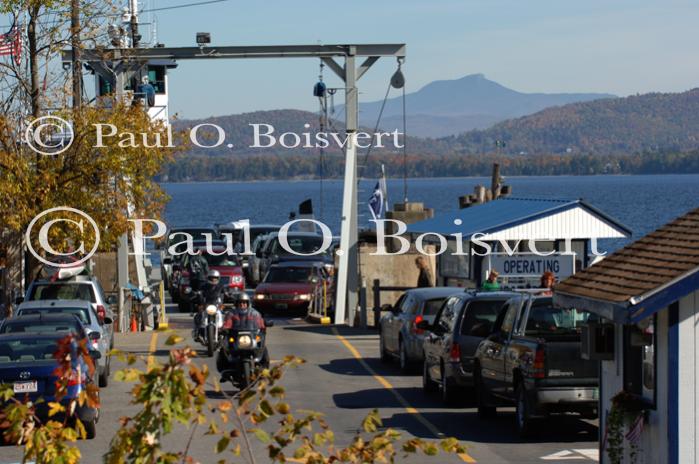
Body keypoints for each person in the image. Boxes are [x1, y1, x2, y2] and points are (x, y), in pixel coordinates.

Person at [222, 292, 269, 367]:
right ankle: (224, 369)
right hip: (235, 338)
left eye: (244, 302)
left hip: (252, 337)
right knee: (223, 349)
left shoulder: (255, 313)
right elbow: (227, 324)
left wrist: (263, 327)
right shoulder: (231, 314)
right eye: (240, 302)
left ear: (248, 303)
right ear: (236, 304)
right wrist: (224, 329)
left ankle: (265, 368)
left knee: (263, 348)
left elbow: (260, 324)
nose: (242, 304)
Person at [192, 269, 224, 337]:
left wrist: (228, 295)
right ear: (208, 278)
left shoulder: (221, 286)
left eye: (215, 278)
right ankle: (197, 330)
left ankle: (220, 328)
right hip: (207, 304)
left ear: (218, 278)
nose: (213, 280)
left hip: (216, 305)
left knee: (220, 313)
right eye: (212, 278)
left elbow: (224, 294)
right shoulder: (204, 286)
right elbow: (199, 293)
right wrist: (197, 297)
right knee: (198, 315)